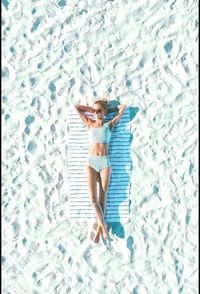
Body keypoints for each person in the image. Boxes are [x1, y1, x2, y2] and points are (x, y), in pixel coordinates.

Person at [74, 99, 126, 243]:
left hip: (104, 163)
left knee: (102, 197)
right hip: (91, 162)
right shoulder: (89, 124)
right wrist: (92, 109)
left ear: (104, 111)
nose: (96, 113)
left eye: (99, 111)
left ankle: (99, 228)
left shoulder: (109, 125)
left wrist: (108, 110)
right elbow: (77, 107)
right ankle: (103, 227)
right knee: (93, 199)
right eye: (94, 111)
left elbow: (122, 107)